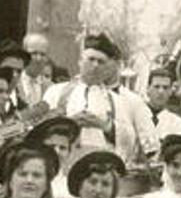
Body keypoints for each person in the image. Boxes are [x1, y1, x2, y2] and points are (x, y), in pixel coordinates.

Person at [42, 33, 158, 162]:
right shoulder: (56, 91)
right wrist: (69, 123)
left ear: (107, 67)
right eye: (91, 59)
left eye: (101, 62)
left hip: (99, 163)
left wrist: (104, 125)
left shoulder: (116, 101)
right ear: (80, 61)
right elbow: (40, 128)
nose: (95, 65)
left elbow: (129, 139)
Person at [145, 68, 181, 139]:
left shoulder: (178, 123)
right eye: (156, 87)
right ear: (148, 89)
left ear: (170, 91)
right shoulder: (134, 117)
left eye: (165, 87)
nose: (161, 91)